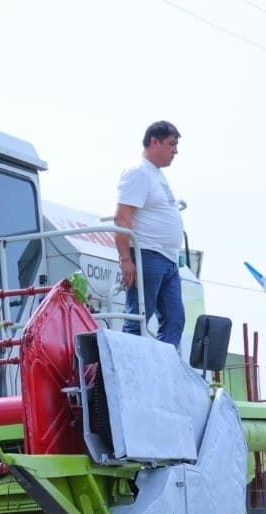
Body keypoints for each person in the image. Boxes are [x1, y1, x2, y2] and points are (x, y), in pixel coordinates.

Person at [115, 121, 186, 348]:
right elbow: (122, 217)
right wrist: (126, 259)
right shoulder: (138, 172)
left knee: (175, 320)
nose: (175, 151)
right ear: (154, 142)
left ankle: (164, 366)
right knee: (138, 319)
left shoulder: (155, 174)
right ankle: (127, 365)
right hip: (147, 254)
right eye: (171, 144)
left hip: (168, 259)